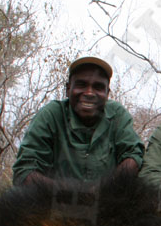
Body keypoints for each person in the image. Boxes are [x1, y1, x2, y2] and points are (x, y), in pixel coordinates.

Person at [12, 56, 144, 186]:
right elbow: (25, 170)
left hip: (107, 201)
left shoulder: (118, 114)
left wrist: (104, 189)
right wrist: (71, 194)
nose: (89, 93)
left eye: (98, 87)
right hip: (53, 201)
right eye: (81, 85)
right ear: (68, 89)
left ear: (107, 93)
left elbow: (134, 155)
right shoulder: (51, 114)